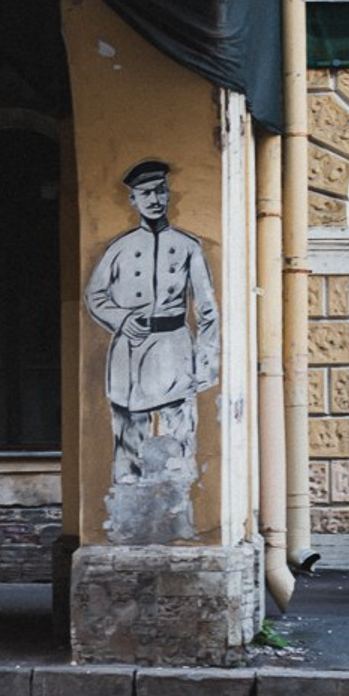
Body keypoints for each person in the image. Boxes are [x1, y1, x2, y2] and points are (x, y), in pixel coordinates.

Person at [84, 158, 219, 483]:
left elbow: (207, 309)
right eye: (146, 193)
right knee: (129, 433)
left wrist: (207, 361)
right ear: (133, 199)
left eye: (160, 191)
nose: (155, 200)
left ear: (168, 194)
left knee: (180, 430)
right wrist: (121, 319)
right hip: (130, 350)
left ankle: (179, 500)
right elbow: (95, 296)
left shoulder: (187, 247)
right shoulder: (120, 248)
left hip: (174, 347)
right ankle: (128, 502)